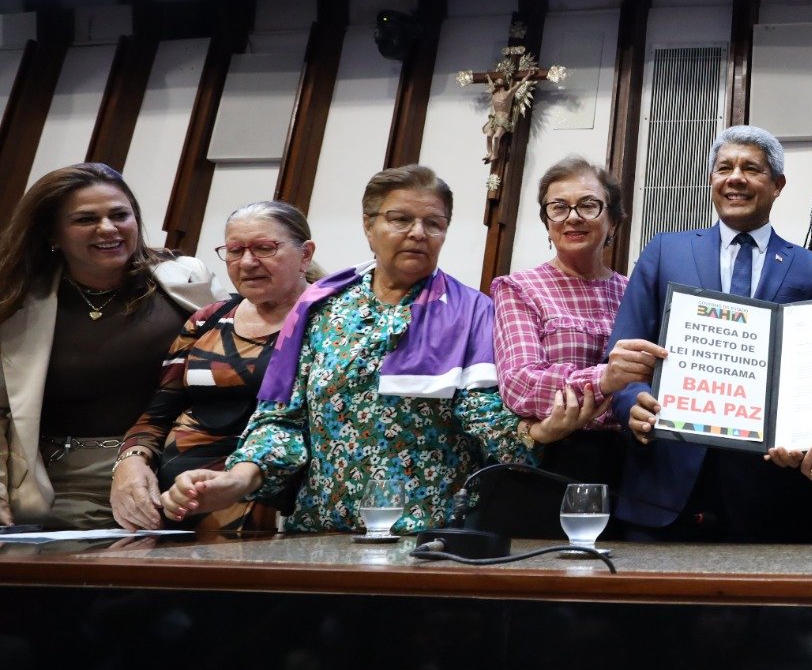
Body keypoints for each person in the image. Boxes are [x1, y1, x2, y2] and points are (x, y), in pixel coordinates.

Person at [162, 166, 563, 532]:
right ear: (369, 226)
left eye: (434, 223)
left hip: (431, 534)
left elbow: (484, 418)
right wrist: (238, 479)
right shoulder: (320, 305)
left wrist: (540, 433)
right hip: (324, 529)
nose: (418, 233)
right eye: (400, 219)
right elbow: (281, 419)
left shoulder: (473, 311)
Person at [602, 125, 812, 542]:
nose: (736, 178)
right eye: (724, 167)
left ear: (777, 185)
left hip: (767, 489)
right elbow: (623, 351)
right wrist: (628, 405)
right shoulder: (664, 250)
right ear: (711, 180)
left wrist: (811, 438)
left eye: (752, 169)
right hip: (663, 481)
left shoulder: (810, 268)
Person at [0, 163, 225, 529]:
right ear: (51, 233)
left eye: (120, 215)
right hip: (60, 485)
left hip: (176, 470)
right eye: (86, 219)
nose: (108, 228)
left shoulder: (188, 278)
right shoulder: (17, 301)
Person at [113, 202, 321, 532]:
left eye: (265, 248)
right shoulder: (207, 319)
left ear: (305, 254)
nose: (248, 262)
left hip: (270, 493)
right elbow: (159, 412)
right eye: (235, 250)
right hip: (176, 499)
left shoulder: (331, 321)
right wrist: (131, 460)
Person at [491, 156, 632, 521]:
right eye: (558, 207)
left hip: (633, 465)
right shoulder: (519, 288)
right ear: (547, 222)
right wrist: (604, 380)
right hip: (553, 462)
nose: (573, 217)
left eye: (588, 205)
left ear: (612, 218)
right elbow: (520, 383)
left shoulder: (635, 292)